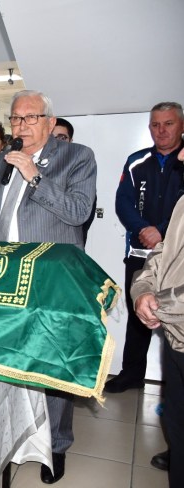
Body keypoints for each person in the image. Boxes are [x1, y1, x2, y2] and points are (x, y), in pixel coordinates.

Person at [0, 90, 97, 484]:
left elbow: (78, 212)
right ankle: (9, 437)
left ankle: (57, 445)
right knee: (8, 360)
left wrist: (34, 175)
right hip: (6, 277)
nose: (22, 125)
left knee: (52, 363)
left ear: (49, 121)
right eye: (16, 118)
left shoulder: (77, 157)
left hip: (51, 280)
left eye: (31, 118)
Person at [106, 102, 184, 394]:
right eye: (155, 124)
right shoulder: (136, 161)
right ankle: (132, 374)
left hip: (177, 260)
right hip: (139, 255)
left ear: (181, 126)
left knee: (176, 317)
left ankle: (173, 382)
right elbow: (123, 202)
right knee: (139, 315)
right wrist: (142, 229)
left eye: (168, 123)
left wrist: (161, 231)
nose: (161, 130)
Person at [130, 146, 184, 487]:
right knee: (177, 429)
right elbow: (162, 255)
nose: (180, 157)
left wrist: (156, 304)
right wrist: (142, 291)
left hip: (174, 319)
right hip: (176, 338)